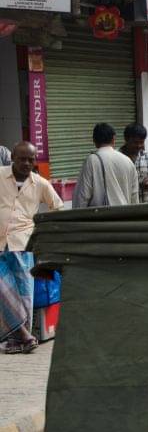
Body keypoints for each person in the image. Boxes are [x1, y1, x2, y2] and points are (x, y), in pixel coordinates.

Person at [1, 141, 63, 354]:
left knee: (23, 293)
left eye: (31, 159)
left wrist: (42, 231)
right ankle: (23, 336)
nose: (27, 163)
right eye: (22, 159)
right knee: (4, 290)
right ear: (13, 158)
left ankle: (20, 340)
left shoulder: (40, 183)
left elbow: (58, 207)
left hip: (24, 243)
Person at [73, 123, 138, 208]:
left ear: (94, 141)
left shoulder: (92, 160)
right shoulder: (128, 161)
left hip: (102, 215)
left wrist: (77, 214)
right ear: (113, 139)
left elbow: (82, 196)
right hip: (125, 214)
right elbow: (134, 197)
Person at [120, 123, 148, 203]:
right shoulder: (116, 158)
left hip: (146, 208)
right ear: (126, 139)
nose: (139, 145)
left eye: (142, 142)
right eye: (135, 142)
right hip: (124, 208)